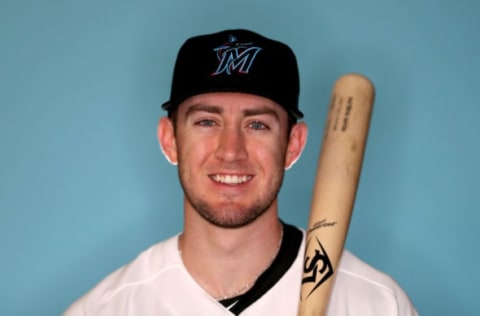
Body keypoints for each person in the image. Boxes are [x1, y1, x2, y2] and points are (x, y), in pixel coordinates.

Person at [64, 29, 418, 316]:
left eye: (257, 125)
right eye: (207, 121)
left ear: (292, 145)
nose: (231, 150)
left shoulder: (378, 305)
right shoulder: (107, 309)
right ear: (169, 139)